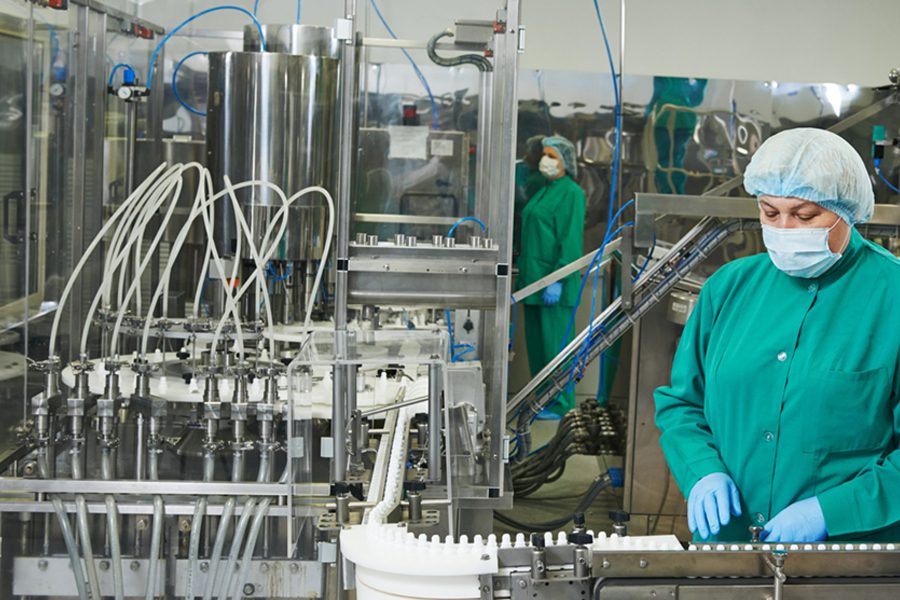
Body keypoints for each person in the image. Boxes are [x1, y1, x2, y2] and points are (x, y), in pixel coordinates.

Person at [655, 128, 900, 542]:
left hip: (849, 552)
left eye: (805, 216)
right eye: (770, 213)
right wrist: (701, 471)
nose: (785, 228)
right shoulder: (729, 287)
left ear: (847, 211)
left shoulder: (890, 296)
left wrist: (832, 510)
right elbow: (682, 404)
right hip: (730, 545)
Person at [518, 136, 586, 418]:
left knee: (557, 348)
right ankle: (543, 400)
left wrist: (558, 278)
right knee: (538, 348)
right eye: (544, 155)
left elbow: (570, 241)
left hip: (554, 284)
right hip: (533, 282)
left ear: (566, 162)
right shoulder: (544, 190)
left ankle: (561, 404)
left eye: (552, 156)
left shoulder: (572, 193)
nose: (545, 160)